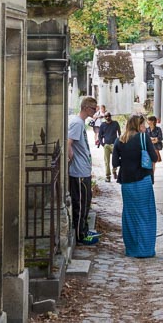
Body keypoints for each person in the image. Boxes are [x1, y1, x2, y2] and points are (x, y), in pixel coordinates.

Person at [112, 114, 159, 258]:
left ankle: (132, 249)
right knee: (146, 214)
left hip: (127, 181)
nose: (145, 127)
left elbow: (115, 163)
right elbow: (154, 157)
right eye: (143, 125)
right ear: (138, 126)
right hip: (142, 179)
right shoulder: (144, 138)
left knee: (130, 215)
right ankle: (146, 249)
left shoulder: (119, 140)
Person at [68, 96, 97, 245]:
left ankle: (84, 229)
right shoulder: (77, 123)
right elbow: (69, 143)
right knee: (80, 202)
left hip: (84, 170)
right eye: (93, 108)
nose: (95, 111)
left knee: (86, 201)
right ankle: (80, 234)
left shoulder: (80, 123)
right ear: (86, 108)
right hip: (78, 171)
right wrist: (71, 157)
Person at [98, 111, 122, 182]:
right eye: (106, 116)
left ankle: (114, 171)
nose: (108, 117)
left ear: (111, 116)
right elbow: (99, 135)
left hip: (114, 144)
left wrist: (119, 142)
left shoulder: (115, 123)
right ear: (104, 117)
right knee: (106, 161)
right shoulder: (102, 125)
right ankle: (108, 176)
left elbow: (119, 133)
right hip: (106, 145)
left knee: (115, 159)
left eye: (109, 116)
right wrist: (103, 144)